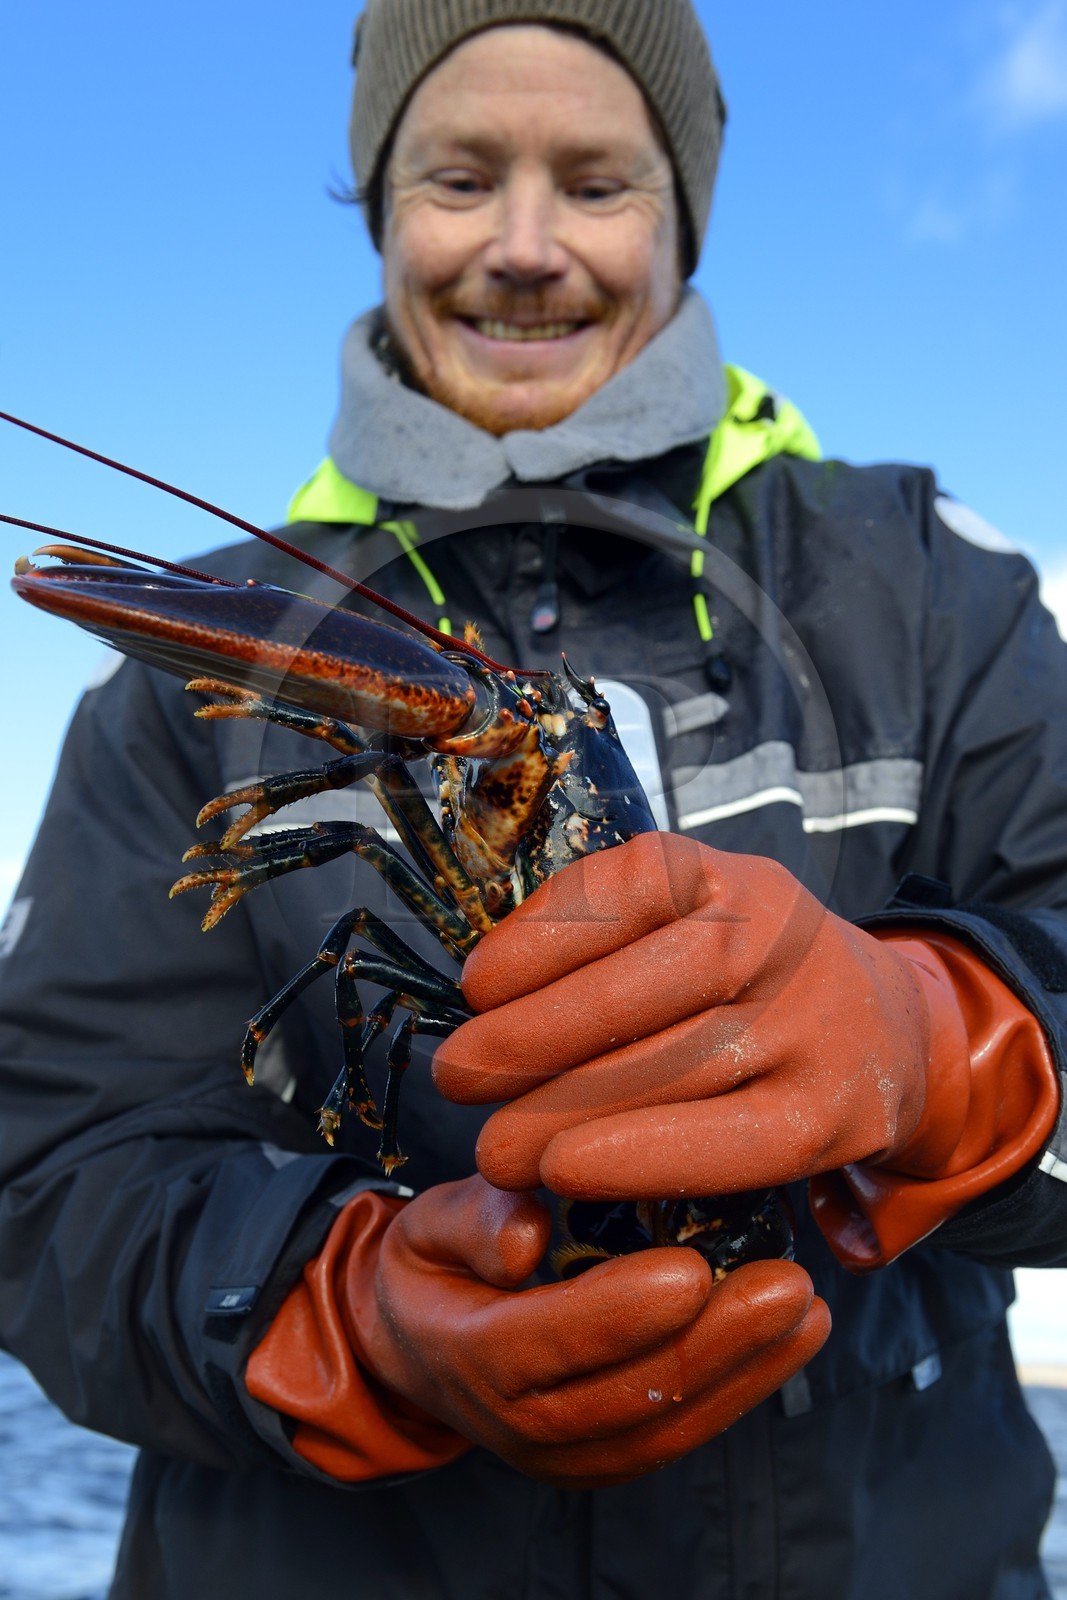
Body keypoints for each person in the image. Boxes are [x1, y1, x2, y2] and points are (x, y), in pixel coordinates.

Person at [2, 2, 1067, 1595]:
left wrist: (946, 1038)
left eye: (594, 180)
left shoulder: (926, 581)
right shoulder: (195, 677)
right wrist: (343, 1319)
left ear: (680, 213)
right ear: (377, 210)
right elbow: (53, 1167)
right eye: (455, 176)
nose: (522, 245)